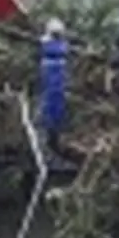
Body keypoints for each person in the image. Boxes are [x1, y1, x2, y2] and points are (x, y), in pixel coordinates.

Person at [39, 18, 69, 157]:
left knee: (55, 105)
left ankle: (54, 134)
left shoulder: (50, 46)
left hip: (56, 81)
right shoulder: (53, 46)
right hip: (53, 80)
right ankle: (51, 135)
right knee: (51, 105)